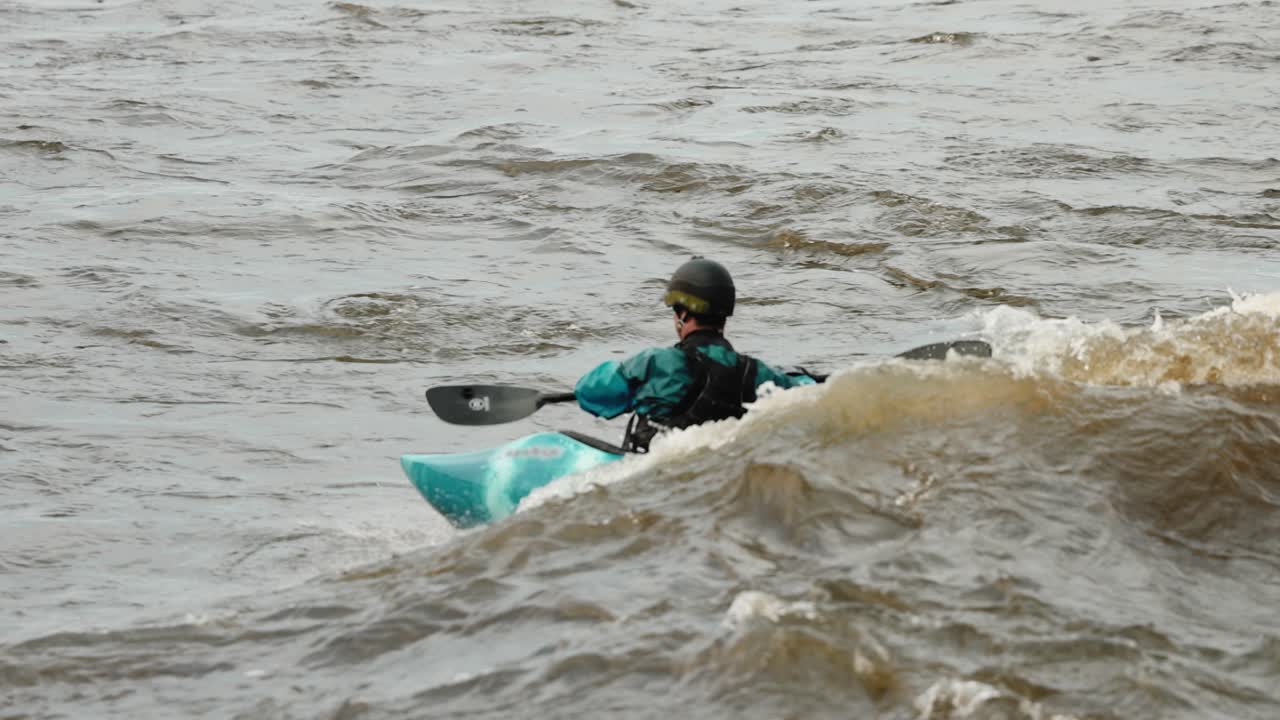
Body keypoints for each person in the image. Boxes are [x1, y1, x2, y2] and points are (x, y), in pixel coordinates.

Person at [574, 257, 817, 452]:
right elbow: (804, 392)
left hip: (655, 469)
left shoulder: (656, 363)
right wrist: (798, 375)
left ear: (683, 314)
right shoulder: (755, 373)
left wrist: (636, 390)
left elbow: (589, 392)